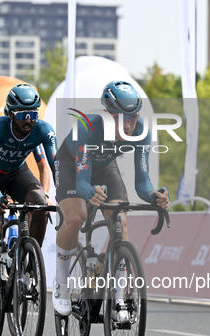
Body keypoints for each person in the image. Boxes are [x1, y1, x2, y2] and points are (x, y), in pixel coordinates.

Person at [53, 80, 171, 317]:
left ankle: (119, 301)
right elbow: (82, 181)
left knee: (121, 222)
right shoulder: (88, 128)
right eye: (123, 117)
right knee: (76, 217)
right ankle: (61, 283)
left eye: (134, 116)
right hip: (71, 165)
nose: (129, 124)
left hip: (106, 166)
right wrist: (89, 193)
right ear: (108, 114)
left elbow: (142, 181)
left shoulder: (141, 132)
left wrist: (153, 195)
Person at [0, 83, 57, 324]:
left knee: (40, 206)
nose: (29, 120)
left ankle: (29, 267)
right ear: (11, 113)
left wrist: (68, 194)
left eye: (33, 114)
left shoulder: (43, 130)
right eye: (23, 115)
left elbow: (55, 165)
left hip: (18, 172)